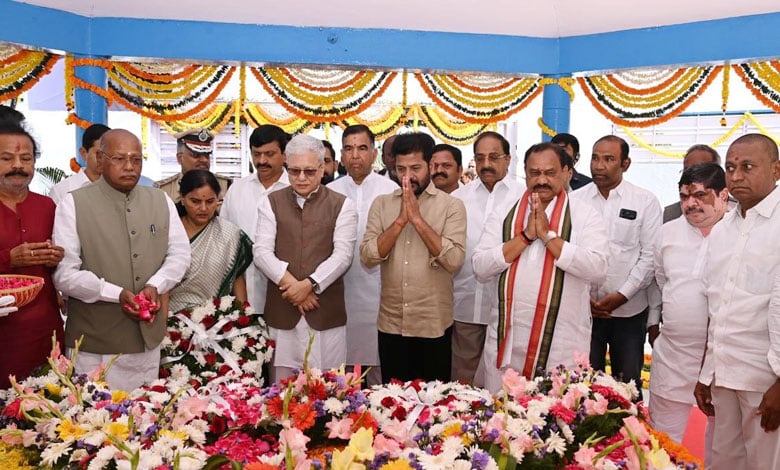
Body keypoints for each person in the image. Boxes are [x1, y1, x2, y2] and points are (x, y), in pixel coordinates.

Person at [53, 129, 190, 391]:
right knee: (93, 423)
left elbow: (180, 254)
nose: (129, 167)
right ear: (100, 159)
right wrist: (115, 293)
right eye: (119, 159)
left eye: (136, 159)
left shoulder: (159, 199)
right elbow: (65, 274)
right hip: (94, 342)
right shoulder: (73, 204)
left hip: (145, 340)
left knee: (145, 418)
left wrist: (156, 285)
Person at [473, 143, 608, 392]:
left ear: (567, 172)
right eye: (534, 173)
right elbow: (480, 267)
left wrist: (549, 237)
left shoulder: (585, 215)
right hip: (507, 343)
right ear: (525, 172)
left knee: (555, 423)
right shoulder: (505, 212)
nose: (542, 180)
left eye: (550, 172)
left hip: (561, 345)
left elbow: (597, 268)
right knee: (501, 423)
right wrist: (524, 237)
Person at [694, 134, 780, 469]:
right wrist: (707, 372)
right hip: (725, 374)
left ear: (776, 169)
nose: (736, 176)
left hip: (765, 381)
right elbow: (718, 307)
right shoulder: (723, 229)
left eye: (747, 166)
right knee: (723, 462)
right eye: (730, 167)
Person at [360, 132, 466, 383]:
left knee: (435, 409)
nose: (407, 177)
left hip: (432, 324)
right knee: (391, 406)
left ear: (431, 165)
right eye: (400, 169)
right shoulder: (382, 204)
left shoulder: (451, 206)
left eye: (415, 168)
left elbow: (454, 260)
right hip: (391, 324)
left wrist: (418, 220)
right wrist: (400, 221)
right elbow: (368, 257)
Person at [254, 134, 357, 382]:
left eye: (309, 171)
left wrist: (309, 285)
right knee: (281, 389)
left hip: (325, 311)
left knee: (328, 387)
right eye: (294, 171)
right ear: (286, 168)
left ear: (322, 168)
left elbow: (343, 255)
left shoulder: (342, 204)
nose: (301, 178)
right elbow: (261, 252)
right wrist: (294, 287)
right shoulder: (270, 202)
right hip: (283, 310)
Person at [650, 163, 726, 463]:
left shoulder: (738, 232)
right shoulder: (667, 233)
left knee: (722, 443)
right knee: (662, 441)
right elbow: (662, 279)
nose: (690, 203)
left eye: (699, 195)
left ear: (723, 195)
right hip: (674, 355)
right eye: (684, 196)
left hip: (724, 360)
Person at [572, 135, 661, 389]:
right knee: (584, 386)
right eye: (595, 158)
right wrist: (585, 297)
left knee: (627, 386)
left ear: (626, 164)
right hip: (585, 310)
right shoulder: (575, 200)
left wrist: (623, 295)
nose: (599, 166)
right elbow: (570, 253)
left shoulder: (644, 201)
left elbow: (650, 256)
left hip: (629, 312)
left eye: (609, 159)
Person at [450, 131, 525, 386]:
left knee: (502, 381)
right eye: (480, 158)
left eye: (494, 157)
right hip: (465, 302)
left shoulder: (524, 196)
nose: (486, 164)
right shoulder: (459, 198)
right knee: (463, 379)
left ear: (508, 159)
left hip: (507, 307)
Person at [328, 124, 398, 385]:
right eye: (348, 149)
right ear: (342, 156)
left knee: (379, 363)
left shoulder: (391, 191)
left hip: (381, 290)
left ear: (374, 153)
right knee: (340, 364)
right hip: (340, 291)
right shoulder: (329, 192)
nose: (355, 155)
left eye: (362, 148)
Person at [0, 121, 65, 388]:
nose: (18, 166)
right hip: (4, 330)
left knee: (48, 409)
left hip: (44, 326)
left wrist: (56, 258)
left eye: (26, 158)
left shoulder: (47, 205)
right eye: (6, 158)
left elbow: (64, 261)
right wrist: (9, 258)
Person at [221, 125, 290, 314]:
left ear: (284, 155)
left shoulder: (295, 189)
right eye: (256, 154)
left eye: (269, 154)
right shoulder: (237, 189)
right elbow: (224, 238)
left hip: (284, 294)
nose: (262, 161)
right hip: (241, 293)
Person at [167, 170, 253, 314]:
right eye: (195, 201)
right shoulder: (168, 230)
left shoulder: (229, 234)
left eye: (210, 201)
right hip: (170, 319)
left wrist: (244, 318)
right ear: (182, 198)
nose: (203, 208)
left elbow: (236, 277)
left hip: (214, 321)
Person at [155, 128, 232, 204]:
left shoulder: (226, 185)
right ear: (180, 158)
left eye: (207, 155)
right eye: (196, 155)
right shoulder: (163, 190)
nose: (204, 160)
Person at [49, 124, 111, 204]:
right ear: (84, 153)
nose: (105, 159)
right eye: (99, 153)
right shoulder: (61, 191)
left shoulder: (121, 187)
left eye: (110, 154)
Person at [663, 144, 721, 223]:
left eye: (700, 170)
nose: (691, 176)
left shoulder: (734, 210)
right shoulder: (672, 214)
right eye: (687, 171)